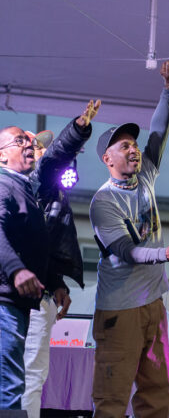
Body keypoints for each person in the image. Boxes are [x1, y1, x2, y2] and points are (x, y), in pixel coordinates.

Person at [89, 60, 169, 418]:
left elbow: (159, 132)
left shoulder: (145, 174)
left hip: (153, 305)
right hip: (120, 310)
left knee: (158, 392)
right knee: (112, 399)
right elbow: (126, 251)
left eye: (134, 144)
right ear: (107, 158)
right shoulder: (102, 201)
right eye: (124, 146)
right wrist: (164, 253)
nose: (134, 149)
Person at [0, 99, 99, 410]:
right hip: (11, 297)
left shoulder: (32, 189)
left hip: (28, 295)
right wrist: (17, 270)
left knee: (29, 377)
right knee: (20, 379)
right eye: (23, 140)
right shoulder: (11, 184)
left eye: (33, 142)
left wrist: (56, 280)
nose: (31, 145)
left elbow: (36, 246)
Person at [22, 127, 89, 418]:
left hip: (41, 292)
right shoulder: (21, 185)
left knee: (34, 374)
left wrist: (56, 280)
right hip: (22, 295)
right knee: (27, 375)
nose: (34, 149)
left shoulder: (49, 193)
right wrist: (75, 134)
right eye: (28, 144)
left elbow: (45, 242)